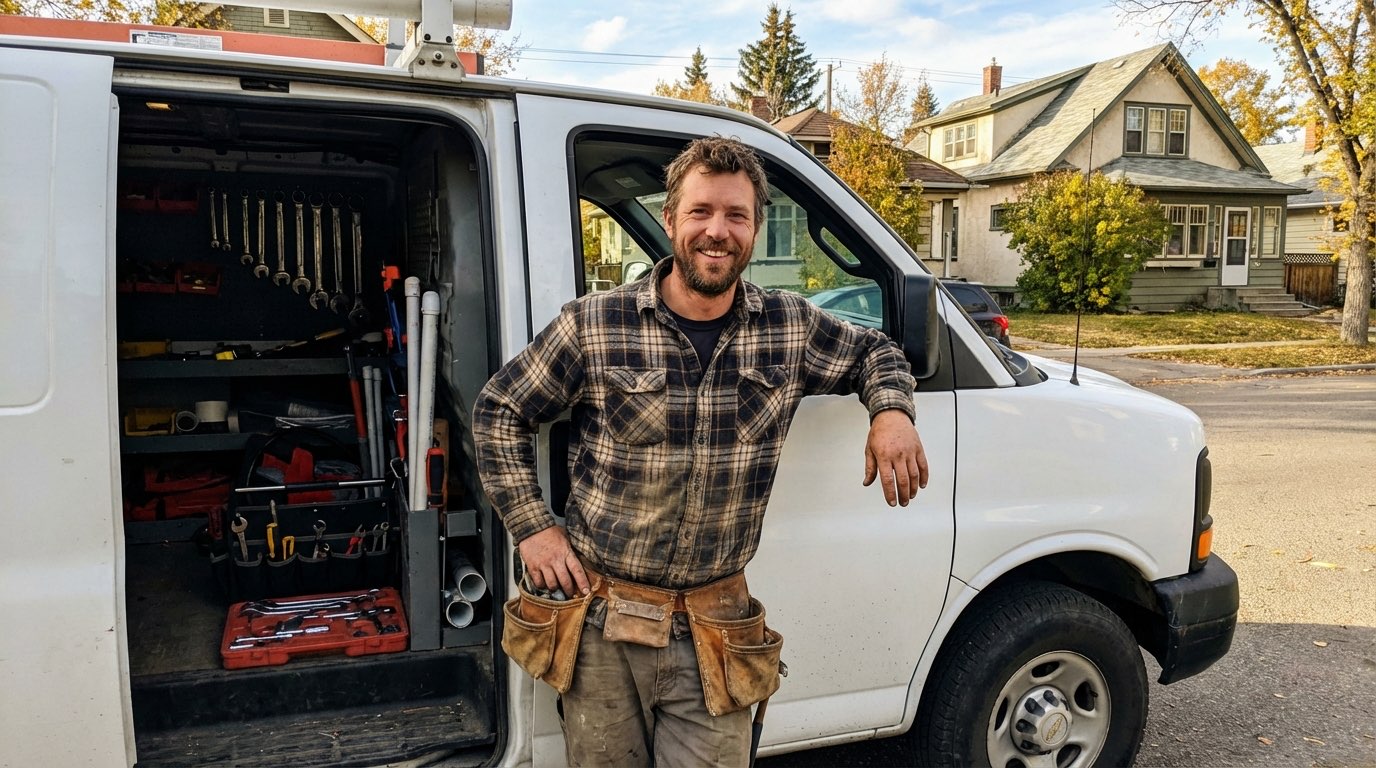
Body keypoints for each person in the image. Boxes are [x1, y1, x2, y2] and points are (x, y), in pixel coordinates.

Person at [473, 136, 927, 767]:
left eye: (736, 216)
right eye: (701, 212)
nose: (718, 232)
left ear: (756, 229)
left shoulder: (790, 327)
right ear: (670, 221)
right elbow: (500, 409)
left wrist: (892, 412)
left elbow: (877, 352)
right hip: (603, 628)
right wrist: (532, 529)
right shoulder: (596, 324)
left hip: (717, 625)